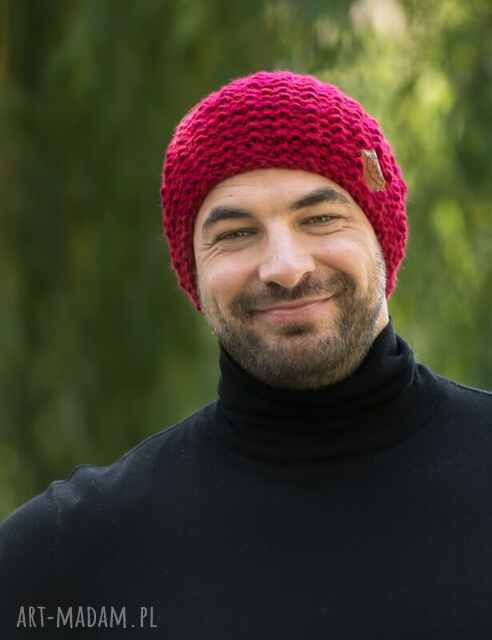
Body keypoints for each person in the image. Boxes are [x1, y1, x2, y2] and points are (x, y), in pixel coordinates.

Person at [1, 70, 491, 639]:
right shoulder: (70, 554)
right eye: (235, 232)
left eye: (320, 218)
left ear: (383, 239)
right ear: (193, 273)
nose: (285, 267)